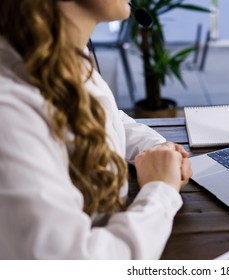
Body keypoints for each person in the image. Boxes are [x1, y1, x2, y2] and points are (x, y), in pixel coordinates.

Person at [0, 0, 192, 259]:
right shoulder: (10, 116)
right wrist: (161, 192)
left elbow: (106, 118)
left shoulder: (62, 53)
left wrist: (155, 148)